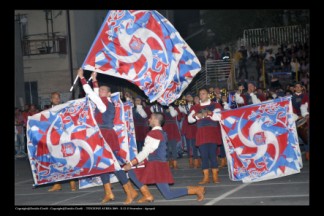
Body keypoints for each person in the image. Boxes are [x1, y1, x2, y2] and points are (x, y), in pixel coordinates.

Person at [78, 69, 137, 204]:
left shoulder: (104, 102)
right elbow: (96, 93)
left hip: (106, 135)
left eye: (103, 90)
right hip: (102, 134)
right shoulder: (103, 102)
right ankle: (109, 193)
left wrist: (82, 78)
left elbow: (91, 94)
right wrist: (94, 79)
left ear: (109, 94)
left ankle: (131, 191)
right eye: (100, 90)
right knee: (103, 164)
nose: (100, 91)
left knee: (114, 165)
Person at [123, 112, 205, 202]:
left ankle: (196, 190)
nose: (149, 119)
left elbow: (145, 152)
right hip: (154, 163)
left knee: (168, 195)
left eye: (151, 118)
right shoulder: (160, 132)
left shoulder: (154, 134)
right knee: (132, 172)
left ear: (156, 120)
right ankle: (147, 195)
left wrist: (131, 163)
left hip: (157, 166)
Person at [188, 87, 223, 184]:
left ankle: (215, 177)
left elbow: (219, 117)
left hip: (212, 133)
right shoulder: (195, 107)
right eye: (200, 94)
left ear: (208, 95)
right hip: (201, 133)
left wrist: (209, 113)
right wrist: (195, 116)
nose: (201, 95)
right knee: (203, 156)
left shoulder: (215, 105)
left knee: (212, 154)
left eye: (203, 93)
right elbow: (189, 120)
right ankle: (206, 177)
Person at [47, 92, 77, 192]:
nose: (56, 99)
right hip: (54, 140)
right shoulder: (47, 111)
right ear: (51, 100)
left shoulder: (64, 109)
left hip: (64, 139)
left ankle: (72, 183)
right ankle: (57, 184)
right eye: (54, 98)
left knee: (68, 160)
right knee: (55, 161)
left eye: (58, 98)